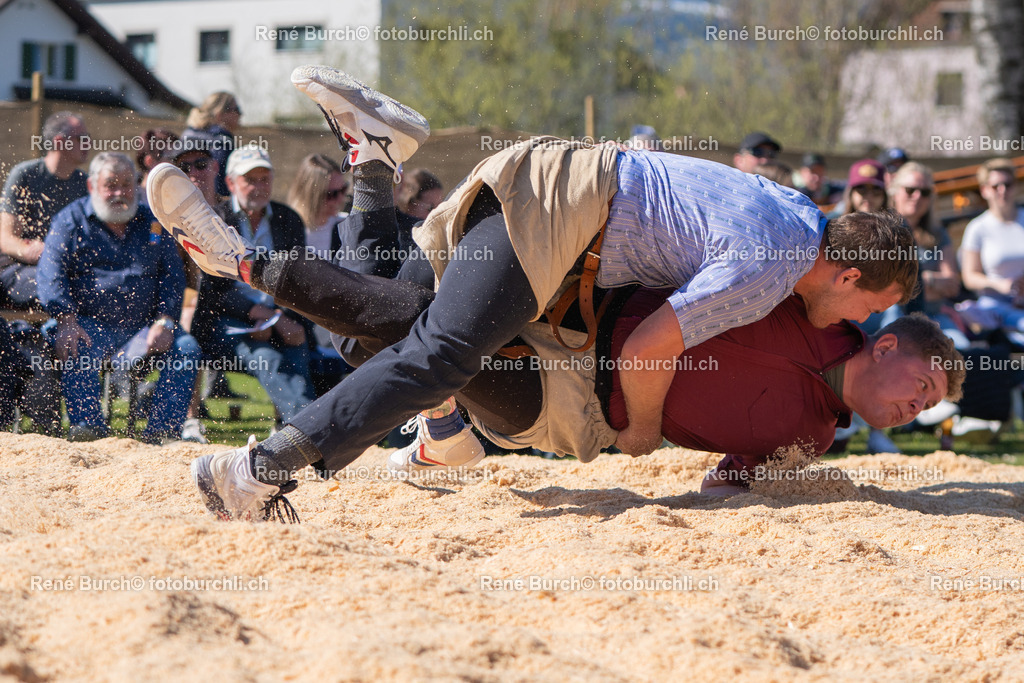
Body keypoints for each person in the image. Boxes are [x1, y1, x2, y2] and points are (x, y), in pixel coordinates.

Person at [148, 66, 918, 520]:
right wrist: (644, 432)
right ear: (847, 273)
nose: (862, 320)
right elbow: (652, 348)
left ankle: (373, 159)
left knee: (376, 325)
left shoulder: (800, 211)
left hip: (560, 193)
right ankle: (263, 463)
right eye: (866, 306)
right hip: (568, 210)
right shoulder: (772, 267)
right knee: (442, 352)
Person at [37, 152, 202, 443]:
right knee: (76, 344)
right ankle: (88, 431)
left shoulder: (153, 222)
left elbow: (172, 277)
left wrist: (165, 320)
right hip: (87, 326)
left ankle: (161, 436)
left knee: (187, 349)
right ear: (92, 187)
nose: (119, 193)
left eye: (127, 184)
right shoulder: (70, 221)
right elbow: (50, 274)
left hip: (143, 329)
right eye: (110, 185)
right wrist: (65, 318)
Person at [186, 145, 315, 426]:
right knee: (266, 357)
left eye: (264, 179)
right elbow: (211, 290)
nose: (259, 187)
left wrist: (283, 319)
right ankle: (307, 426)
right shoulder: (215, 220)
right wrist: (254, 313)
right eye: (250, 180)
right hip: (226, 322)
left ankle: (289, 425)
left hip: (276, 317)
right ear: (231, 183)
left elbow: (298, 279)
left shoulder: (287, 219)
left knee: (297, 345)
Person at [0, 112, 90, 309]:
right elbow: (6, 240)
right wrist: (33, 250)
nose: (88, 144)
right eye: (81, 139)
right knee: (62, 285)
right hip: (18, 268)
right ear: (59, 142)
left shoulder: (85, 183)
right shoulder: (25, 175)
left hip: (63, 270)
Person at [958, 158, 1024, 334]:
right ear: (985, 190)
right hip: (994, 305)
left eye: (1007, 184)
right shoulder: (977, 228)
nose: (1002, 191)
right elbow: (969, 277)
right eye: (996, 186)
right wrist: (1001, 284)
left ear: (1015, 187)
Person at [286, 153, 350, 259]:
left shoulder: (346, 226)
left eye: (343, 190)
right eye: (331, 194)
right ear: (310, 194)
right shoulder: (286, 228)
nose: (341, 199)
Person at [184, 91, 240, 197]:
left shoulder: (188, 134)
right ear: (220, 114)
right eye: (236, 110)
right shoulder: (222, 140)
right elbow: (221, 185)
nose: (240, 114)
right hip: (212, 204)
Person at [135, 129, 180, 205]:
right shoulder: (132, 202)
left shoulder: (180, 194)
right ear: (150, 162)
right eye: (173, 158)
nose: (180, 163)